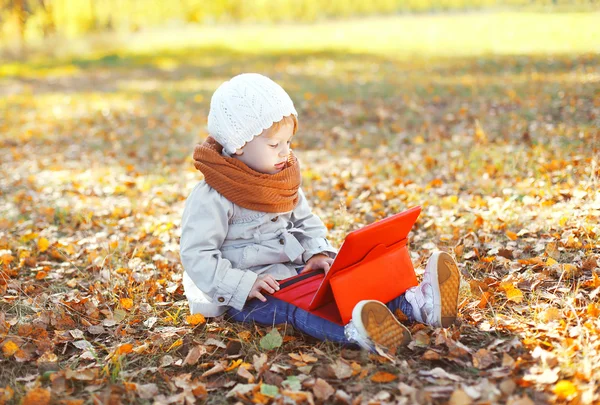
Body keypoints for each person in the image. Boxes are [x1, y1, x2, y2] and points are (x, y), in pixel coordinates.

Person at [180, 73, 461, 352]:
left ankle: (416, 306)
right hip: (250, 296)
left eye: (288, 142)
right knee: (296, 310)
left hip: (295, 275)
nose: (284, 153)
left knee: (345, 286)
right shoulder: (214, 196)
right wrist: (243, 284)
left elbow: (305, 221)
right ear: (239, 144)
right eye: (274, 145)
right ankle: (357, 333)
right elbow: (197, 254)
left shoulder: (281, 180)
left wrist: (316, 252)